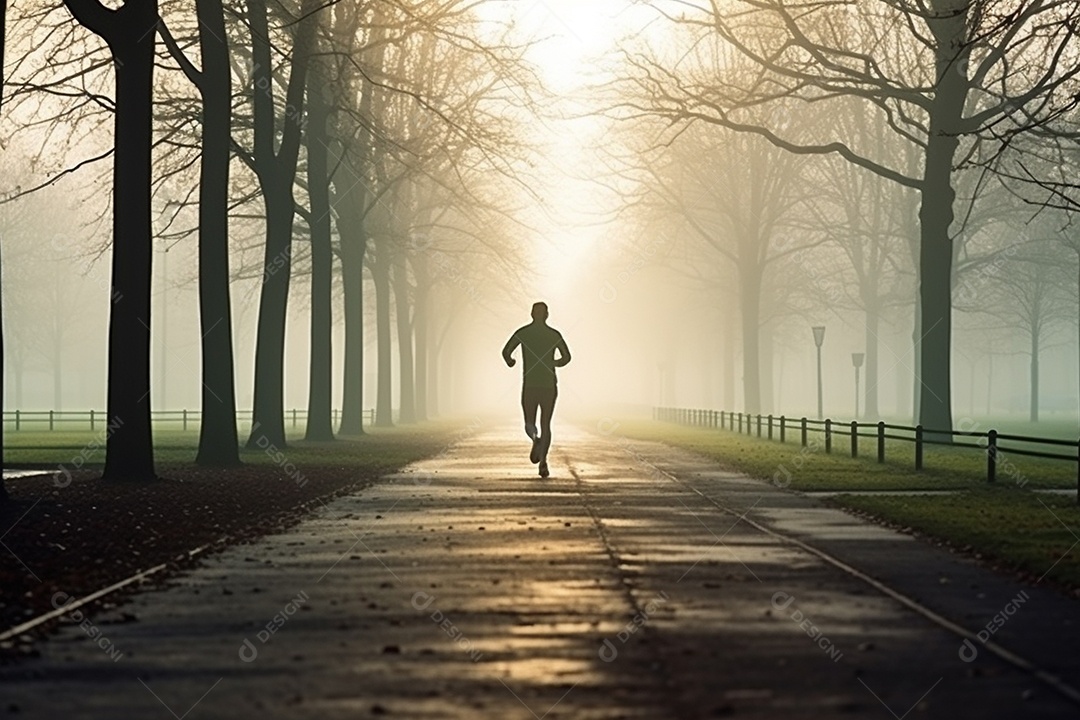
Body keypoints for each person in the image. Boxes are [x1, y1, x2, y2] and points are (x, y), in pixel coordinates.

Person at [502, 302, 571, 477]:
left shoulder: (523, 333)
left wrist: (511, 362)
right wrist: (553, 363)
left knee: (529, 422)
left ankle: (535, 439)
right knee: (546, 423)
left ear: (532, 314)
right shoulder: (554, 335)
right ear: (547, 315)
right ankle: (543, 462)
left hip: (530, 385)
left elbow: (506, 352)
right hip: (549, 385)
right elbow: (567, 357)